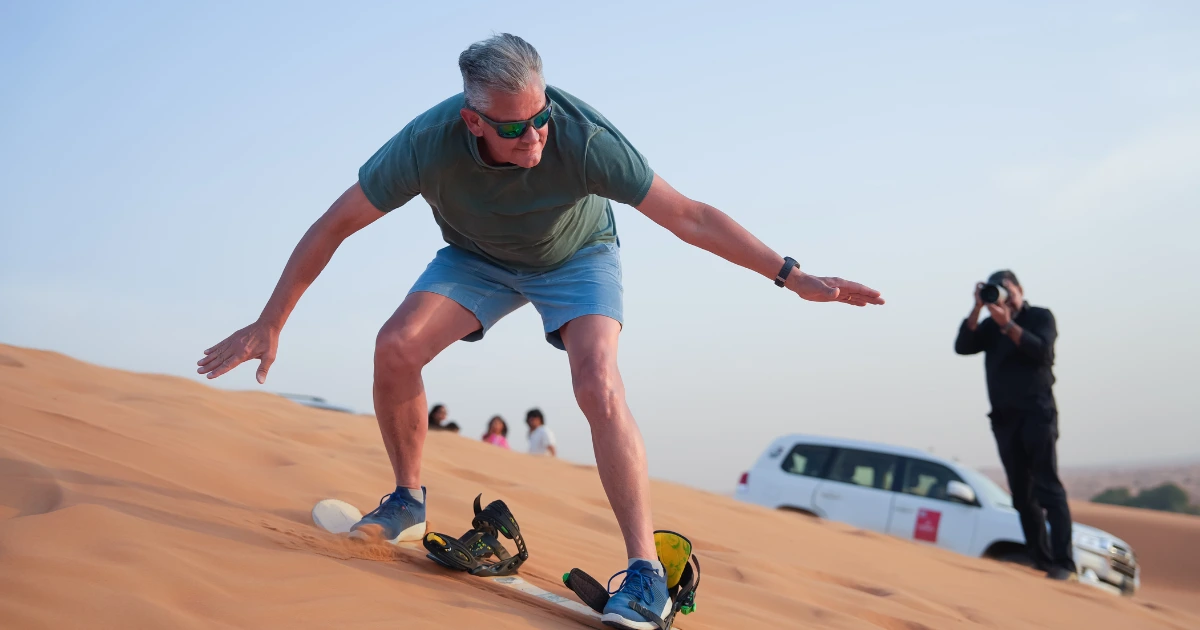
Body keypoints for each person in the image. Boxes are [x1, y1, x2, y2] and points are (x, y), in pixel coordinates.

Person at [196, 33, 883, 628]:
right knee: (395, 347)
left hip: (578, 259)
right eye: (515, 128)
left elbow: (691, 216)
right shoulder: (427, 145)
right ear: (473, 122)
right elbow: (334, 223)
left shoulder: (584, 138)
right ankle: (407, 500)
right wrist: (271, 320)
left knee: (598, 384)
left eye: (541, 118)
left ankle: (643, 572)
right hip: (476, 258)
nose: (535, 136)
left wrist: (793, 275)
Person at [954, 270, 1075, 581]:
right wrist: (978, 308)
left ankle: (1064, 564)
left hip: (1037, 413)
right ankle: (1040, 560)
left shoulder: (1039, 316)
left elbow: (1042, 352)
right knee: (1022, 494)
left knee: (1048, 487)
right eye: (995, 290)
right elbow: (963, 346)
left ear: (1019, 289)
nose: (1002, 295)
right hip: (1004, 419)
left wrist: (1008, 324)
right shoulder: (990, 326)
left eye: (1005, 289)